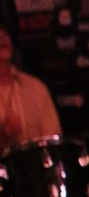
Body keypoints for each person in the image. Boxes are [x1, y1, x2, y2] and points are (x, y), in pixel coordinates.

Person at [0, 22, 62, 152]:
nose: (2, 36)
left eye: (5, 32)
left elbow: (53, 144)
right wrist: (4, 138)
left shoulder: (36, 88)